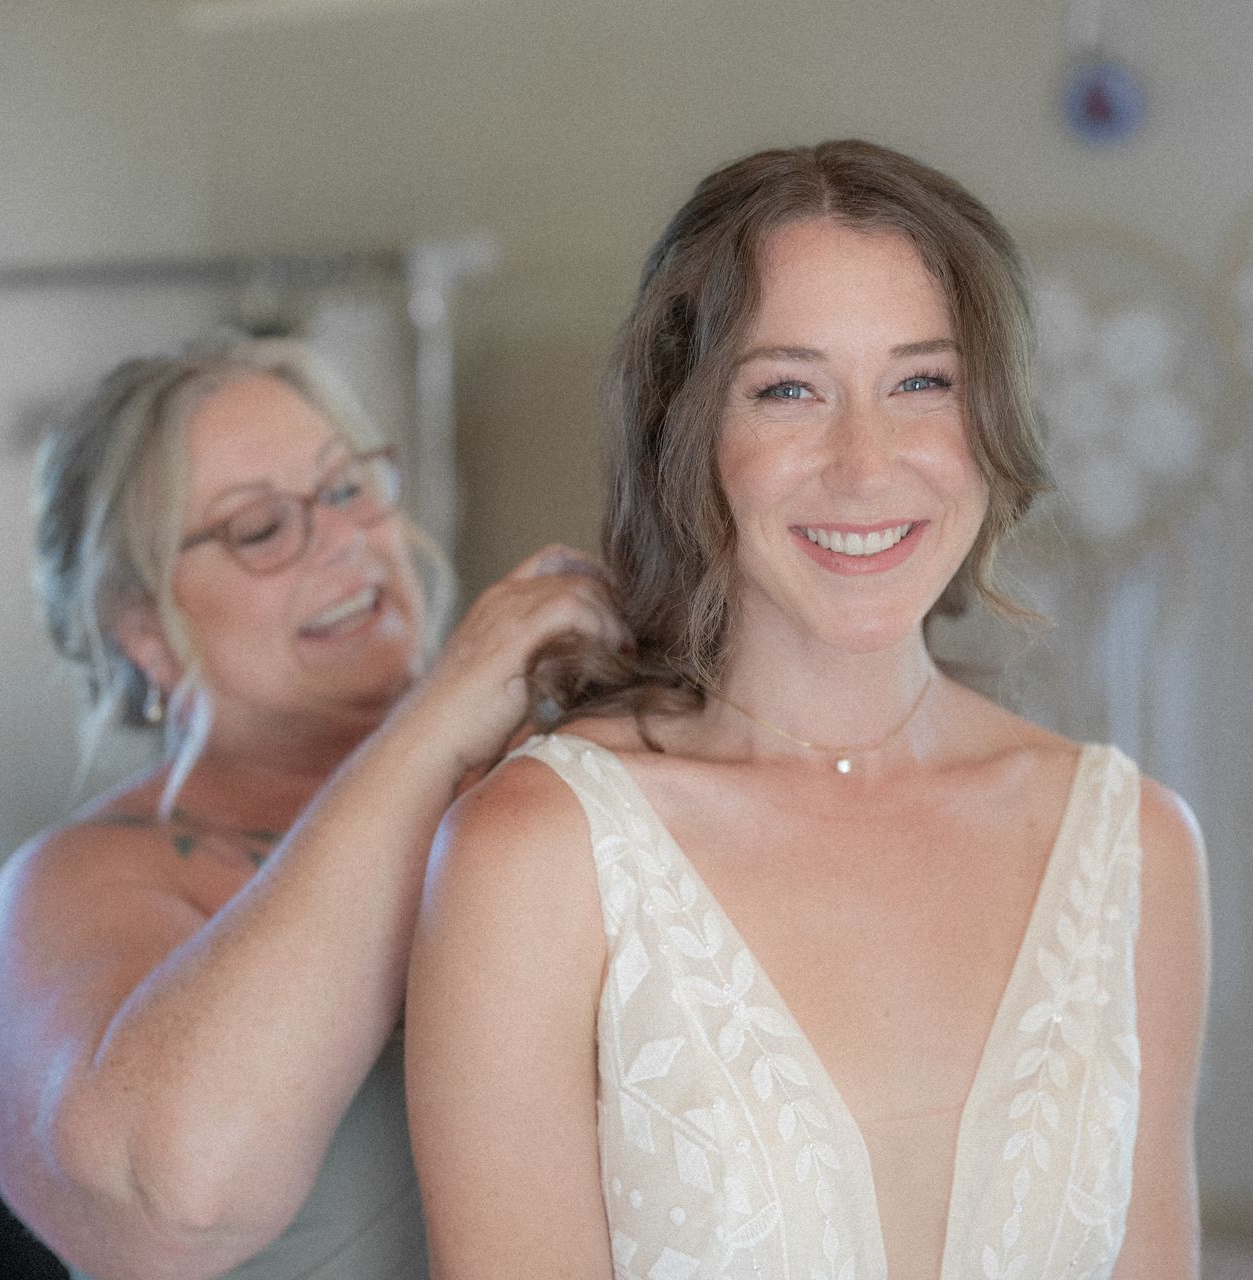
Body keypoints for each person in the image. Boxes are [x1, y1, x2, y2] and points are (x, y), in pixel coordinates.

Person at [406, 140, 1211, 1279]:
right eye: (789, 388)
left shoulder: (1135, 845)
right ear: (687, 434)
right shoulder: (536, 855)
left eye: (922, 381)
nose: (865, 462)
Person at [0, 338, 623, 1280]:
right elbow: (178, 1197)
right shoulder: (78, 880)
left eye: (346, 488)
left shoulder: (545, 791)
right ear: (149, 631)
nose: (343, 539)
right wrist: (440, 714)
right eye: (260, 528)